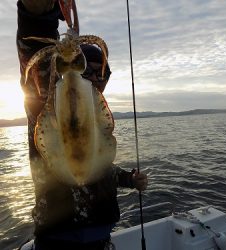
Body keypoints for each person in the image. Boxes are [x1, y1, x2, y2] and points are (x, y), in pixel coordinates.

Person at [17, 1, 148, 249]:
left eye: (102, 74)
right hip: (57, 241)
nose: (95, 78)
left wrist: (129, 180)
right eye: (89, 69)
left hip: (102, 240)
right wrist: (38, 15)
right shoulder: (46, 103)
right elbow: (34, 56)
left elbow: (96, 169)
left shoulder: (94, 116)